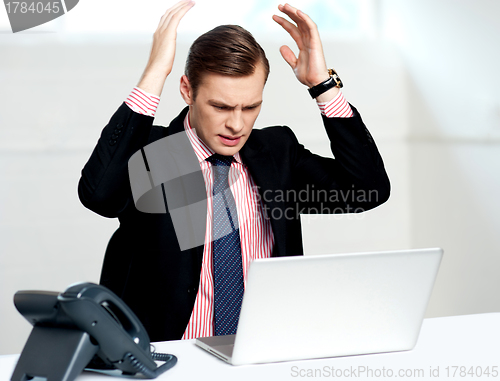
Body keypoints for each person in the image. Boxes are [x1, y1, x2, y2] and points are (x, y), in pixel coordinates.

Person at [78, 0, 390, 342]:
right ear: (187, 91)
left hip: (262, 354)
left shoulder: (276, 152)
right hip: (167, 360)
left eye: (250, 106)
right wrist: (155, 73)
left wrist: (323, 87)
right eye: (220, 106)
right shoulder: (153, 153)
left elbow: (369, 188)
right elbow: (99, 196)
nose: (236, 124)